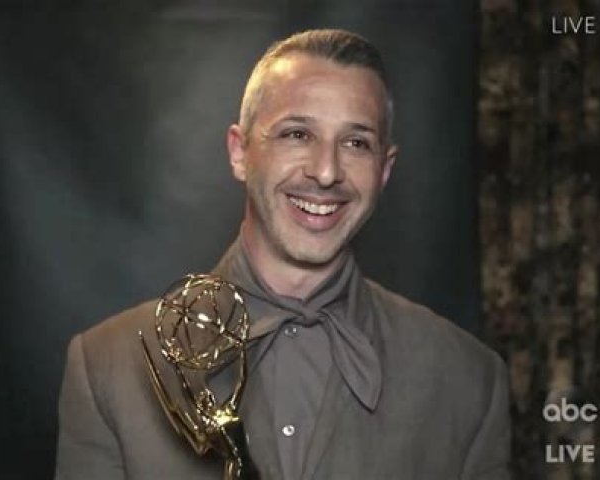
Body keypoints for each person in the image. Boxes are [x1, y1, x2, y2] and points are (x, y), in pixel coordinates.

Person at [55, 29, 511, 479]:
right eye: (297, 134)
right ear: (240, 153)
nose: (326, 172)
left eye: (356, 143)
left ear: (384, 170)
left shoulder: (470, 381)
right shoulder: (108, 368)